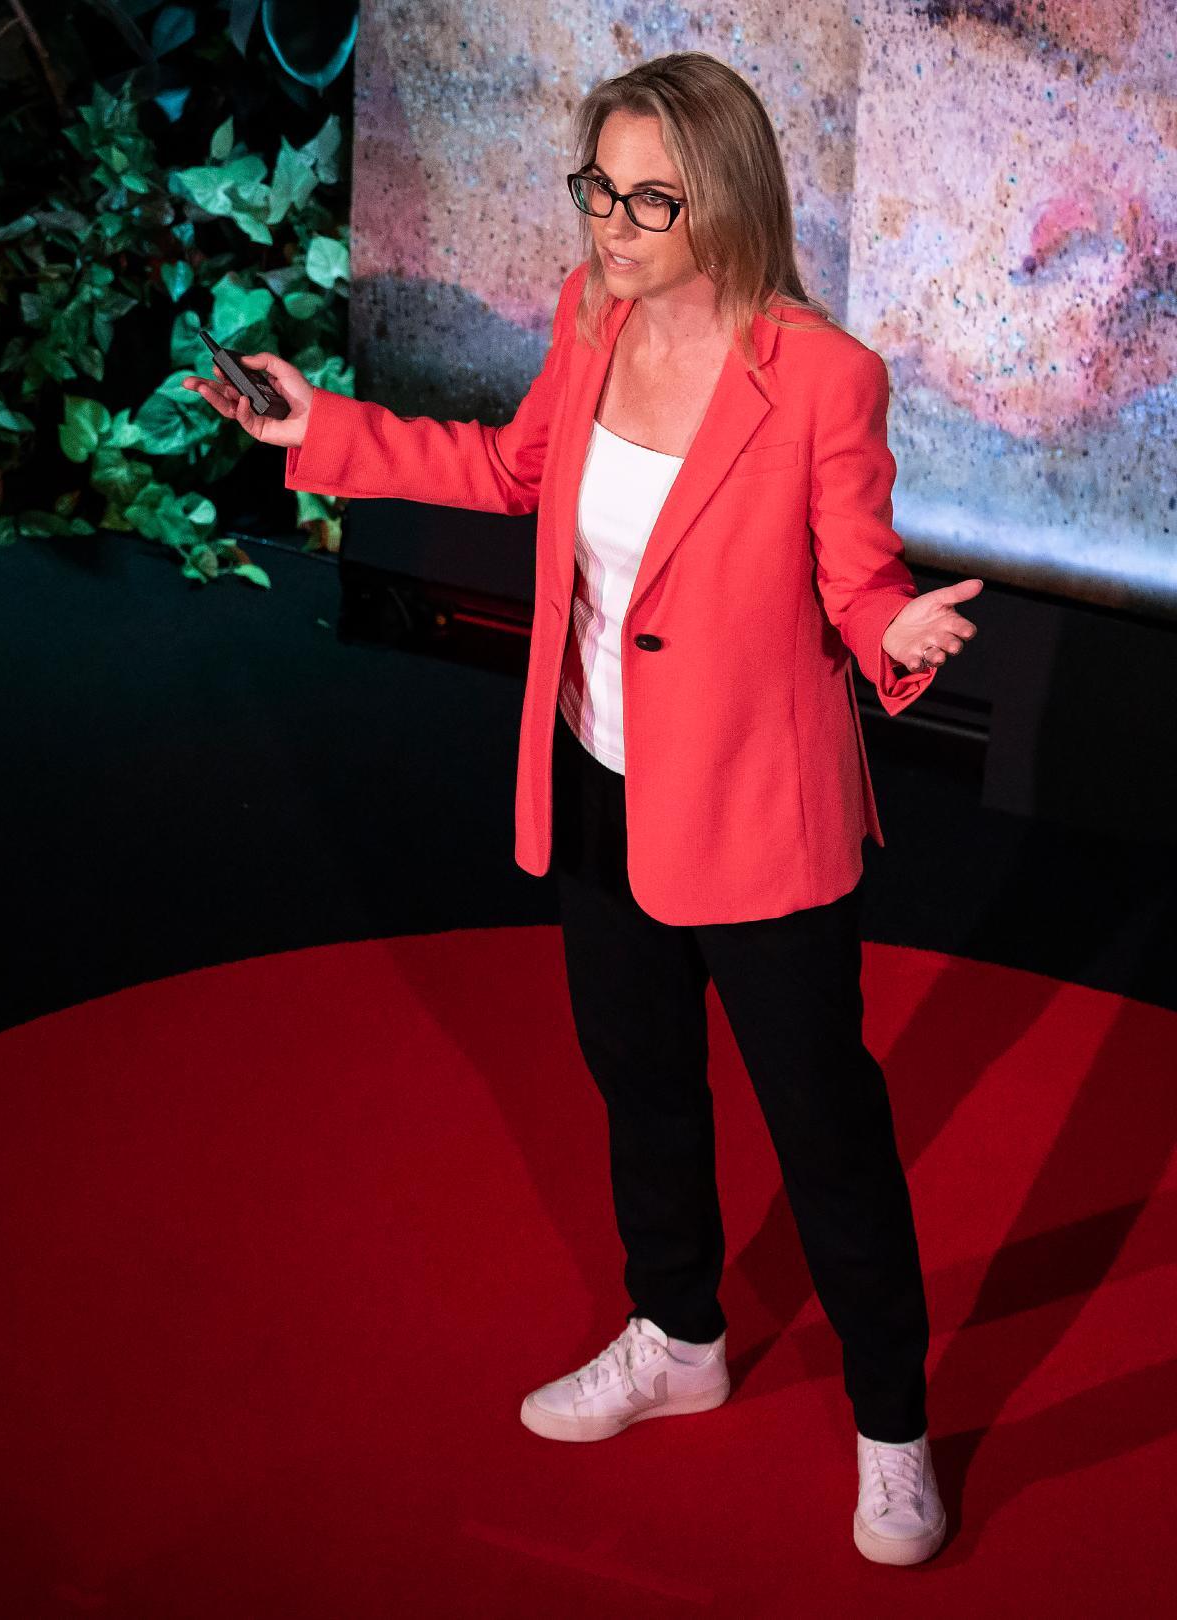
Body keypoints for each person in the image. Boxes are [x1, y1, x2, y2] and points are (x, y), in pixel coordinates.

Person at [185, 53, 983, 1568]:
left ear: (724, 202)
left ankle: (893, 1427)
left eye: (648, 200)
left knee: (825, 1130)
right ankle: (679, 1338)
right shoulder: (589, 316)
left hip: (758, 810)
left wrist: (897, 632)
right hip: (599, 775)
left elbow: (858, 578)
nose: (610, 224)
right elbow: (512, 470)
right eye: (598, 190)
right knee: (641, 1082)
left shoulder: (822, 376)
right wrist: (322, 433)